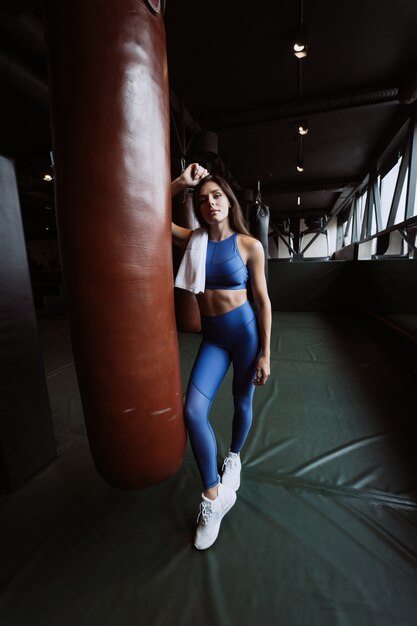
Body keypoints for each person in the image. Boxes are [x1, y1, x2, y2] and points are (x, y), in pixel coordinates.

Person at [171, 163, 271, 550]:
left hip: (245, 334)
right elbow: (150, 210)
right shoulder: (192, 239)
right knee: (193, 411)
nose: (210, 203)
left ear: (228, 201)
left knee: (240, 400)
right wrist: (181, 182)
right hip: (213, 338)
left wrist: (265, 353)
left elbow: (262, 302)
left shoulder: (249, 245)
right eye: (202, 199)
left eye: (216, 196)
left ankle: (234, 457)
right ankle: (214, 496)